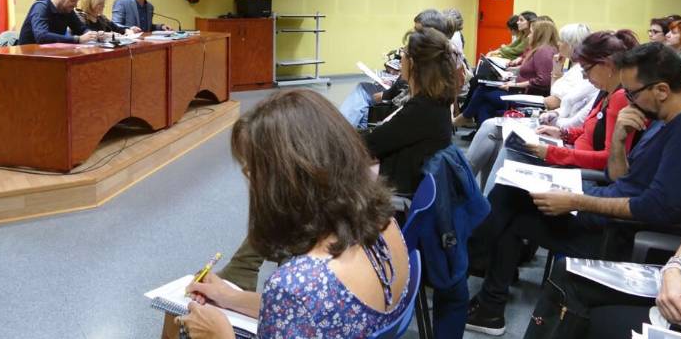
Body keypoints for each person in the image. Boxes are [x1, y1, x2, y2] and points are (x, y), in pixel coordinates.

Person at [466, 43, 681, 336]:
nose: (628, 101)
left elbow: (655, 207)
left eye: (632, 93)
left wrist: (576, 201)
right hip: (608, 210)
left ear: (662, 90)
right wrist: (619, 138)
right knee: (510, 195)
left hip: (618, 233)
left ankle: (473, 273)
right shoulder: (664, 118)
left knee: (510, 204)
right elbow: (618, 177)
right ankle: (484, 295)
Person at [177, 89, 411, 338]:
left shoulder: (295, 286)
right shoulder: (385, 224)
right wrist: (230, 297)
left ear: (283, 181)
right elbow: (309, 313)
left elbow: (298, 304)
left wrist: (220, 335)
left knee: (179, 322)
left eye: (253, 172)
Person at [523, 192, 681, 339]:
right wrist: (674, 270)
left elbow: (652, 206)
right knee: (567, 273)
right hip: (675, 283)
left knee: (596, 322)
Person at [466, 23, 596, 189]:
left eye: (562, 41)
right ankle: (473, 189)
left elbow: (555, 102)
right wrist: (556, 70)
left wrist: (551, 115)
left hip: (556, 128)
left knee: (492, 125)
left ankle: (466, 185)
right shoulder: (573, 68)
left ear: (572, 45)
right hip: (552, 120)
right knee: (489, 120)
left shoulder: (583, 74)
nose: (558, 43)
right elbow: (555, 94)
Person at [525, 30, 639, 171]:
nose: (585, 77)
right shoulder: (605, 91)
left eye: (586, 69)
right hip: (575, 155)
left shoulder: (620, 97)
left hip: (585, 170)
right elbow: (591, 132)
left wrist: (551, 152)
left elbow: (609, 160)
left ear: (607, 65)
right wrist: (563, 134)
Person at [365, 27, 457, 195]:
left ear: (412, 63)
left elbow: (370, 145)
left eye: (403, 53)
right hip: (407, 180)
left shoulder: (421, 109)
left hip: (398, 191)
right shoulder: (437, 100)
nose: (400, 59)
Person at [456, 20, 558, 127]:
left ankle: (465, 117)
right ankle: (479, 130)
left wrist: (514, 85)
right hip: (521, 92)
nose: (529, 36)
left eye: (531, 33)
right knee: (486, 104)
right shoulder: (541, 50)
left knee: (482, 90)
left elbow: (543, 80)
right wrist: (512, 82)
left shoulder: (543, 51)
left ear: (539, 34)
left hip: (527, 97)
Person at [18, 0, 98, 45]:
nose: (76, 5)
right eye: (73, 0)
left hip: (49, 55)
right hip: (27, 56)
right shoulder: (40, 7)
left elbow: (81, 29)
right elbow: (42, 37)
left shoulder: (67, 10)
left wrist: (92, 35)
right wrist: (77, 39)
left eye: (77, 1)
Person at [76, 0, 141, 36]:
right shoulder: (80, 17)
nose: (103, 6)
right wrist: (107, 35)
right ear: (89, 3)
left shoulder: (102, 18)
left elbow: (117, 29)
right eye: (99, 3)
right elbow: (87, 34)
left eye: (103, 3)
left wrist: (127, 30)